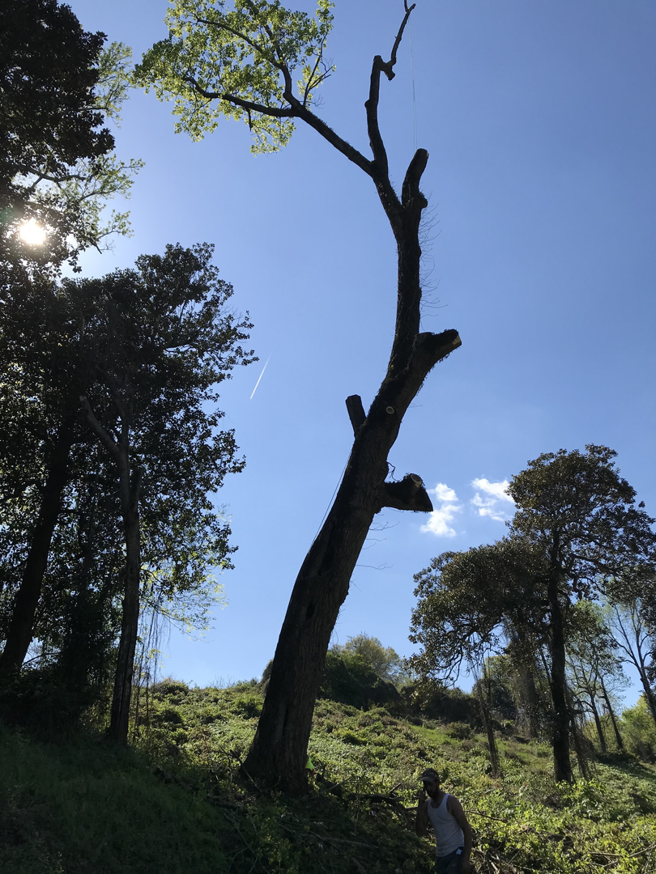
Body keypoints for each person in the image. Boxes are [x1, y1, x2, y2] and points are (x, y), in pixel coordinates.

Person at [415, 767, 474, 874]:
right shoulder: (427, 805)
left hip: (456, 851)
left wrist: (466, 859)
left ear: (437, 783)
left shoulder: (450, 801)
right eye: (425, 785)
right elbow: (420, 832)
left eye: (430, 784)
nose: (428, 788)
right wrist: (420, 807)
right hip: (441, 855)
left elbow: (466, 829)